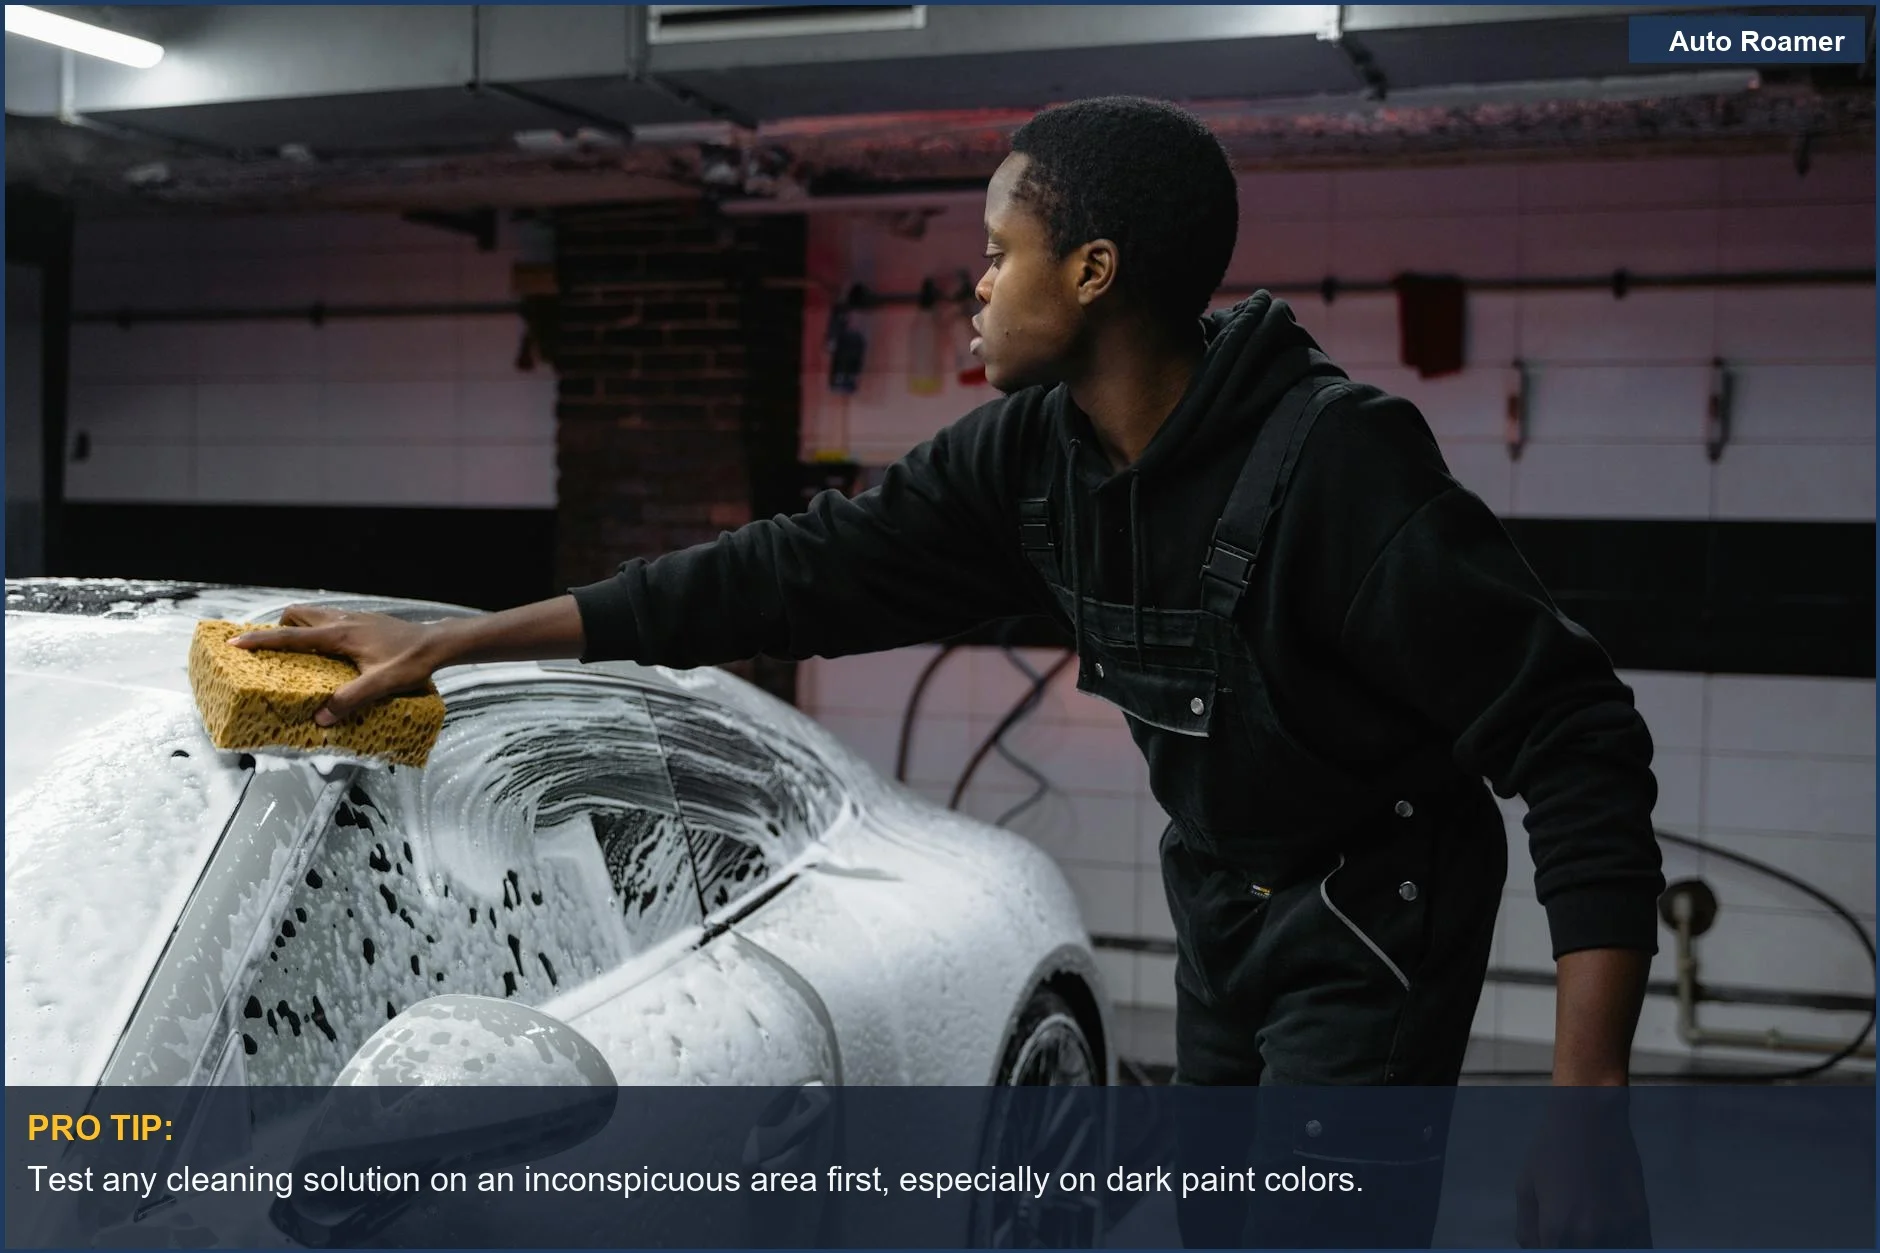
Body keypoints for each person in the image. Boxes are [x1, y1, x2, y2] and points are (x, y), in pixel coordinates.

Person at [233, 97, 1662, 1246]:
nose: (972, 284)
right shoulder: (1034, 457)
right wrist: (463, 638)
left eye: (998, 249)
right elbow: (779, 573)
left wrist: (1586, 1104)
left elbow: (1578, 733)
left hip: (1374, 912)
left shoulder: (1337, 464)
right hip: (1223, 890)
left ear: (1092, 273)